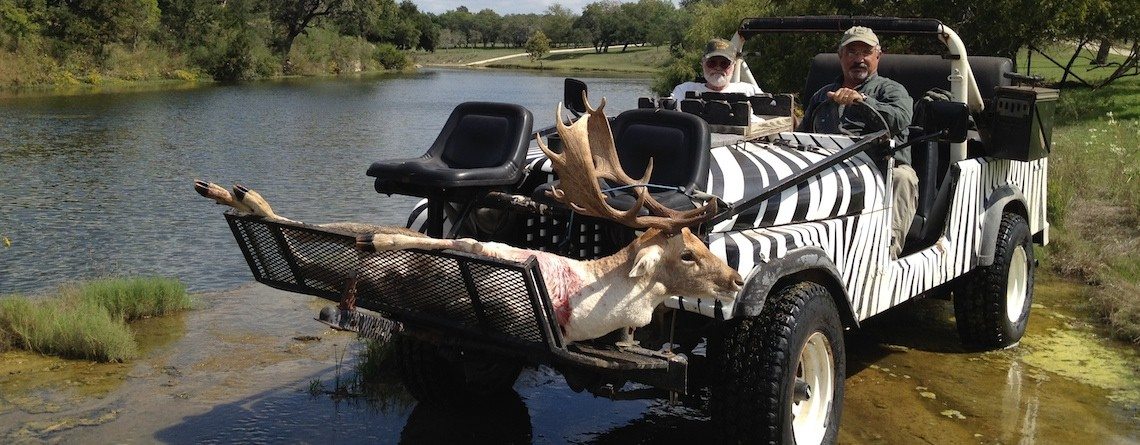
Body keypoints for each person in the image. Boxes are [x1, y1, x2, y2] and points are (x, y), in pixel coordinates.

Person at [798, 26, 916, 259]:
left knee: (904, 178)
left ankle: (886, 252)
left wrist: (862, 102)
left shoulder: (891, 90)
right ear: (841, 57)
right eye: (852, 53)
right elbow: (802, 134)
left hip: (882, 168)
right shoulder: (823, 95)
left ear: (878, 56)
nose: (859, 59)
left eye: (866, 52)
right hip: (828, 167)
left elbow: (899, 119)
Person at [670, 38, 764, 101]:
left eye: (724, 64)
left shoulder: (750, 92)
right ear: (703, 64)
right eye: (712, 63)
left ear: (733, 66)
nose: (718, 68)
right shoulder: (683, 91)